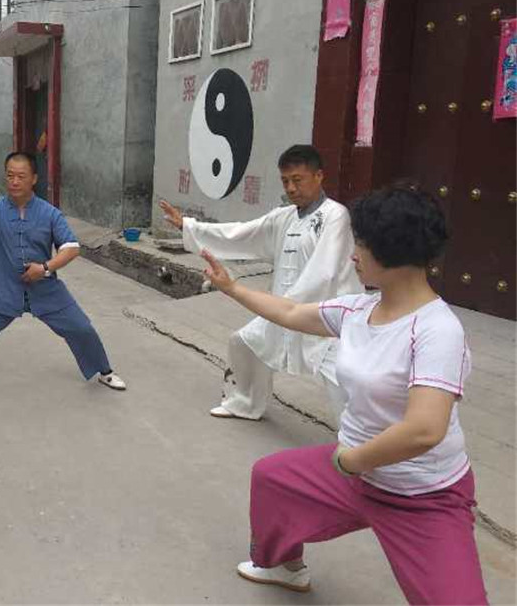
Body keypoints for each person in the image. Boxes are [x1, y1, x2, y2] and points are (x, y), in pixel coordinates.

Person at [200, 186, 487, 605]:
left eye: (361, 246)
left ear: (392, 253)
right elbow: (291, 313)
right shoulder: (359, 309)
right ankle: (282, 565)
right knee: (272, 477)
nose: (353, 256)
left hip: (421, 495)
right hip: (354, 471)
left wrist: (350, 461)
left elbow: (425, 429)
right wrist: (232, 287)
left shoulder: (437, 330)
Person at [159, 145, 361, 421]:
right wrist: (188, 226)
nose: (291, 188)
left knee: (343, 376)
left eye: (298, 180)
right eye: (285, 181)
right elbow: (241, 234)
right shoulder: (284, 216)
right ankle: (244, 402)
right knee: (244, 343)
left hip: (327, 316)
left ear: (319, 176)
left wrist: (288, 308)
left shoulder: (335, 215)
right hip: (283, 309)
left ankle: (358, 438)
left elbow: (324, 272)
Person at [0, 151, 125, 408]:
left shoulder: (49, 213)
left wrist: (45, 268)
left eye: (21, 176)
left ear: (34, 179)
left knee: (81, 328)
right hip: (1, 289)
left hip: (45, 288)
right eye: (10, 175)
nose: (14, 181)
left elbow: (71, 247)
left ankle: (103, 371)